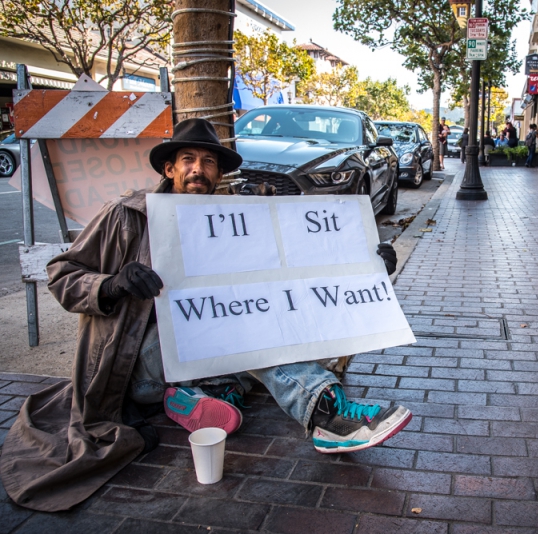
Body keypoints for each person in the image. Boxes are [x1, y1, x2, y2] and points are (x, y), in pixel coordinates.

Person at [0, 119, 411, 512]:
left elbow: (292, 276)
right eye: (188, 160)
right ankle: (326, 414)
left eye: (209, 161)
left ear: (218, 173)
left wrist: (367, 262)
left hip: (203, 352)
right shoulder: (126, 215)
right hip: (137, 366)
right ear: (169, 168)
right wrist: (112, 284)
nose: (199, 169)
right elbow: (62, 273)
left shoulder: (233, 221)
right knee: (243, 332)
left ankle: (208, 392)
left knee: (249, 322)